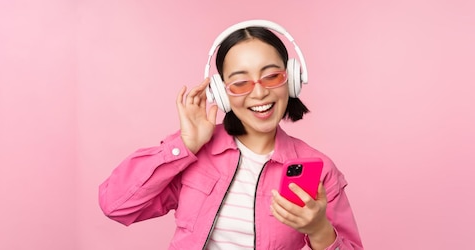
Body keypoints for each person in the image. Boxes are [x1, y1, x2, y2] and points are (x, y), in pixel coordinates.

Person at [99, 20, 363, 249]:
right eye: (240, 83)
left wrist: (319, 231)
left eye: (271, 76)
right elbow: (116, 205)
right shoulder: (194, 153)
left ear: (291, 79)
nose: (259, 93)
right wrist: (186, 144)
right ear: (222, 93)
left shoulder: (318, 169)